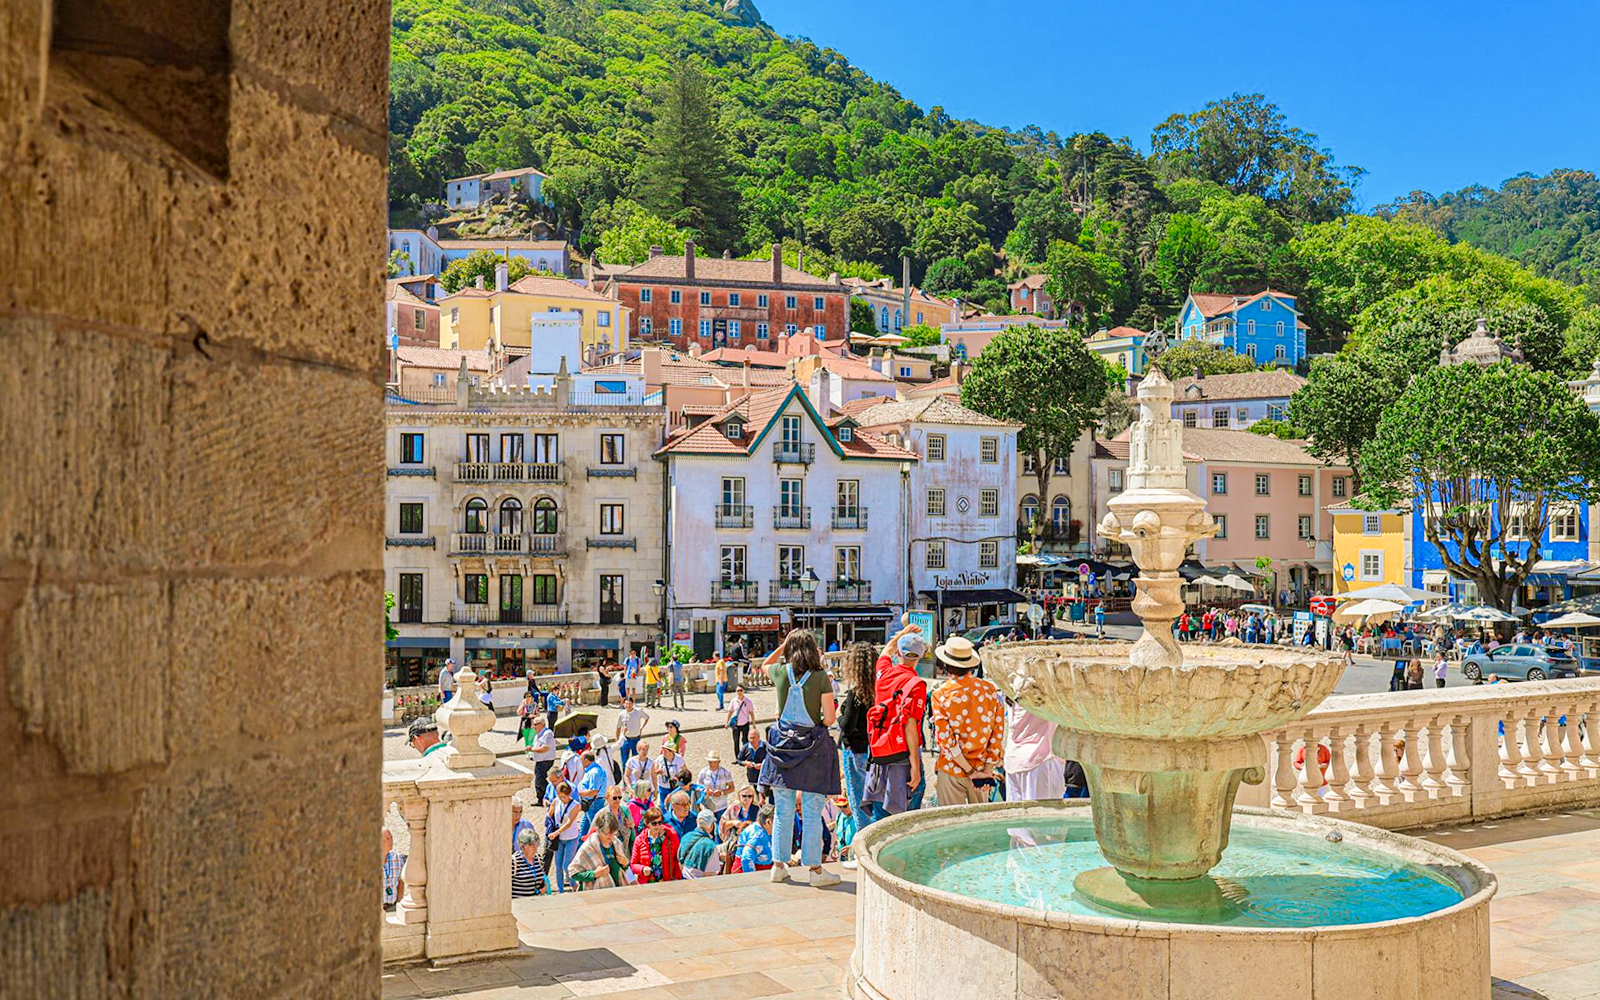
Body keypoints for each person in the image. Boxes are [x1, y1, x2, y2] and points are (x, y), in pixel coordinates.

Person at [758, 628, 841, 888]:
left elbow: (764, 665)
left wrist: (784, 645)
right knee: (812, 809)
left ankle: (778, 866)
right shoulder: (820, 677)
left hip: (782, 749)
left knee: (782, 810)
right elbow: (828, 719)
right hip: (811, 750)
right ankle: (815, 870)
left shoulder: (781, 672)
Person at [863, 620, 929, 821]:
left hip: (879, 750)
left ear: (899, 654)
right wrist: (915, 767)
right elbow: (910, 726)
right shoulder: (916, 684)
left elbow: (886, 651)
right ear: (920, 657)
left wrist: (902, 633)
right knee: (907, 814)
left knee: (880, 812)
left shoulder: (883, 673)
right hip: (901, 754)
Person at [928, 636, 1005, 806]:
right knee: (979, 825)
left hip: (952, 770)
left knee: (951, 823)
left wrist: (969, 771)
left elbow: (946, 741)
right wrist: (986, 771)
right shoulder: (990, 690)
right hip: (981, 769)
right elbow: (997, 733)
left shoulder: (940, 695)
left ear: (946, 665)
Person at [835, 641, 878, 851]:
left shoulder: (856, 694)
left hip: (855, 751)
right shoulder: (878, 691)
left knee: (858, 801)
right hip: (875, 751)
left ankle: (862, 852)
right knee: (874, 801)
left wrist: (838, 715)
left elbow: (848, 726)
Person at [1004, 701, 1065, 802]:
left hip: (1014, 759)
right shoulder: (1042, 693)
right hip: (1040, 759)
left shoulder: (1013, 694)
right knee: (1045, 814)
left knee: (1018, 815)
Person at [568, 808, 627, 890]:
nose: (611, 836)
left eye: (613, 833)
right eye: (607, 833)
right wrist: (594, 874)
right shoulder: (588, 847)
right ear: (599, 830)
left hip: (618, 893)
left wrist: (626, 864)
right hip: (596, 896)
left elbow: (626, 871)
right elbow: (573, 872)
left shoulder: (616, 844)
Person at [630, 807, 682, 883]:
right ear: (647, 823)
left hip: (667, 882)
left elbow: (677, 859)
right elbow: (633, 864)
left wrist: (677, 879)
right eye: (654, 823)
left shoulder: (671, 836)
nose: (657, 826)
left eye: (660, 822)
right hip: (647, 883)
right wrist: (642, 869)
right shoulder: (639, 839)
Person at [547, 782, 583, 892]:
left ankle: (574, 886)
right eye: (560, 796)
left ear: (569, 794)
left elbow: (569, 823)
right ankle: (560, 890)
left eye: (564, 796)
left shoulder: (575, 805)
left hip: (571, 838)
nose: (562, 799)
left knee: (567, 865)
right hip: (559, 839)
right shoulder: (556, 801)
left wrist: (556, 833)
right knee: (558, 866)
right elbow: (550, 815)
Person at [679, 810, 723, 878]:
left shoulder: (685, 837)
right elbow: (710, 874)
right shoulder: (710, 846)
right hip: (700, 885)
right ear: (712, 826)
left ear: (697, 822)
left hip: (684, 881)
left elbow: (680, 862)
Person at [599, 785, 636, 861]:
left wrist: (631, 825)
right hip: (610, 858)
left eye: (620, 797)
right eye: (614, 798)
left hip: (626, 855)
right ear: (607, 798)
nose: (618, 800)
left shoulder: (625, 810)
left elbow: (632, 826)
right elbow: (594, 833)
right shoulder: (602, 814)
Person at [737, 804, 776, 872]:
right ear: (768, 822)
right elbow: (747, 859)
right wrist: (753, 879)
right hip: (750, 871)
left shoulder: (761, 830)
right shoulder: (757, 836)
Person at [698, 751, 734, 822]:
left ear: (719, 762)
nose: (712, 764)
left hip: (721, 806)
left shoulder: (725, 772)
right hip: (708, 805)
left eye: (714, 762)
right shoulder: (703, 772)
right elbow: (698, 787)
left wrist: (722, 792)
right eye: (710, 762)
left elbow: (732, 788)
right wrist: (706, 790)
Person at [614, 696, 649, 769]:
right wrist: (617, 740)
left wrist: (641, 727)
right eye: (626, 704)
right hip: (625, 739)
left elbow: (646, 717)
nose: (628, 706)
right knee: (624, 762)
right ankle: (625, 779)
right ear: (623, 704)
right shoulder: (622, 714)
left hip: (636, 739)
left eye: (629, 704)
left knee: (636, 761)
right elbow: (618, 728)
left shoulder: (638, 711)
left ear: (633, 704)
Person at [512, 827, 547, 897]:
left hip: (535, 903)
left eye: (536, 844)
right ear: (522, 846)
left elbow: (541, 878)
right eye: (531, 845)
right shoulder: (514, 861)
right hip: (519, 904)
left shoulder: (538, 858)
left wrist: (544, 886)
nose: (535, 848)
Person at [737, 725, 769, 801]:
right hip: (752, 776)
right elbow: (739, 760)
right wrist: (745, 763)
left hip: (765, 777)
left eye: (753, 738)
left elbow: (772, 760)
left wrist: (763, 765)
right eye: (750, 738)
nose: (751, 740)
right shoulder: (746, 747)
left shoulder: (765, 746)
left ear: (758, 737)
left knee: (766, 796)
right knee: (756, 797)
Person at [655, 743, 688, 808]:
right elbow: (654, 771)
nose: (663, 752)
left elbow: (685, 771)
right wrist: (658, 771)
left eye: (665, 751)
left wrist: (680, 778)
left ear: (672, 751)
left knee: (676, 805)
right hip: (663, 786)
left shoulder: (679, 759)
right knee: (663, 805)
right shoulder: (660, 759)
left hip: (676, 786)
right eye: (663, 750)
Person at [727, 684, 755, 757]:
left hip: (745, 724)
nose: (739, 692)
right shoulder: (733, 701)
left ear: (743, 691)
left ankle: (745, 755)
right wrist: (727, 722)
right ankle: (737, 757)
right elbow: (730, 712)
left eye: (741, 690)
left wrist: (754, 723)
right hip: (736, 725)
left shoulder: (748, 701)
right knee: (736, 741)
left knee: (745, 741)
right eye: (738, 691)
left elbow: (751, 713)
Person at [382, 828, 405, 911]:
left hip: (393, 906)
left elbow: (401, 881)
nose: (391, 841)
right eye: (388, 838)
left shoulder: (397, 858)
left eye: (391, 838)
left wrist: (399, 901)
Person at [833, 796, 857, 862]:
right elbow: (838, 836)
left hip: (855, 856)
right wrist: (835, 848)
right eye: (839, 806)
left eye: (845, 806)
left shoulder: (858, 818)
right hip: (842, 857)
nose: (842, 809)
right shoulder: (839, 816)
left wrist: (852, 848)